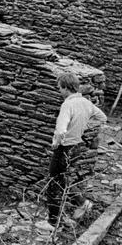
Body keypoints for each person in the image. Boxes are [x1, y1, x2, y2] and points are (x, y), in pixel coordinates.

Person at [47, 73, 107, 226]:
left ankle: (53, 220)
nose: (59, 91)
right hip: (76, 147)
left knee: (54, 183)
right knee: (62, 178)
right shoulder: (85, 102)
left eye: (60, 88)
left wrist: (56, 143)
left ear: (66, 88)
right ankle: (82, 203)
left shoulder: (68, 104)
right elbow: (102, 118)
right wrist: (83, 126)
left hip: (63, 147)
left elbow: (61, 130)